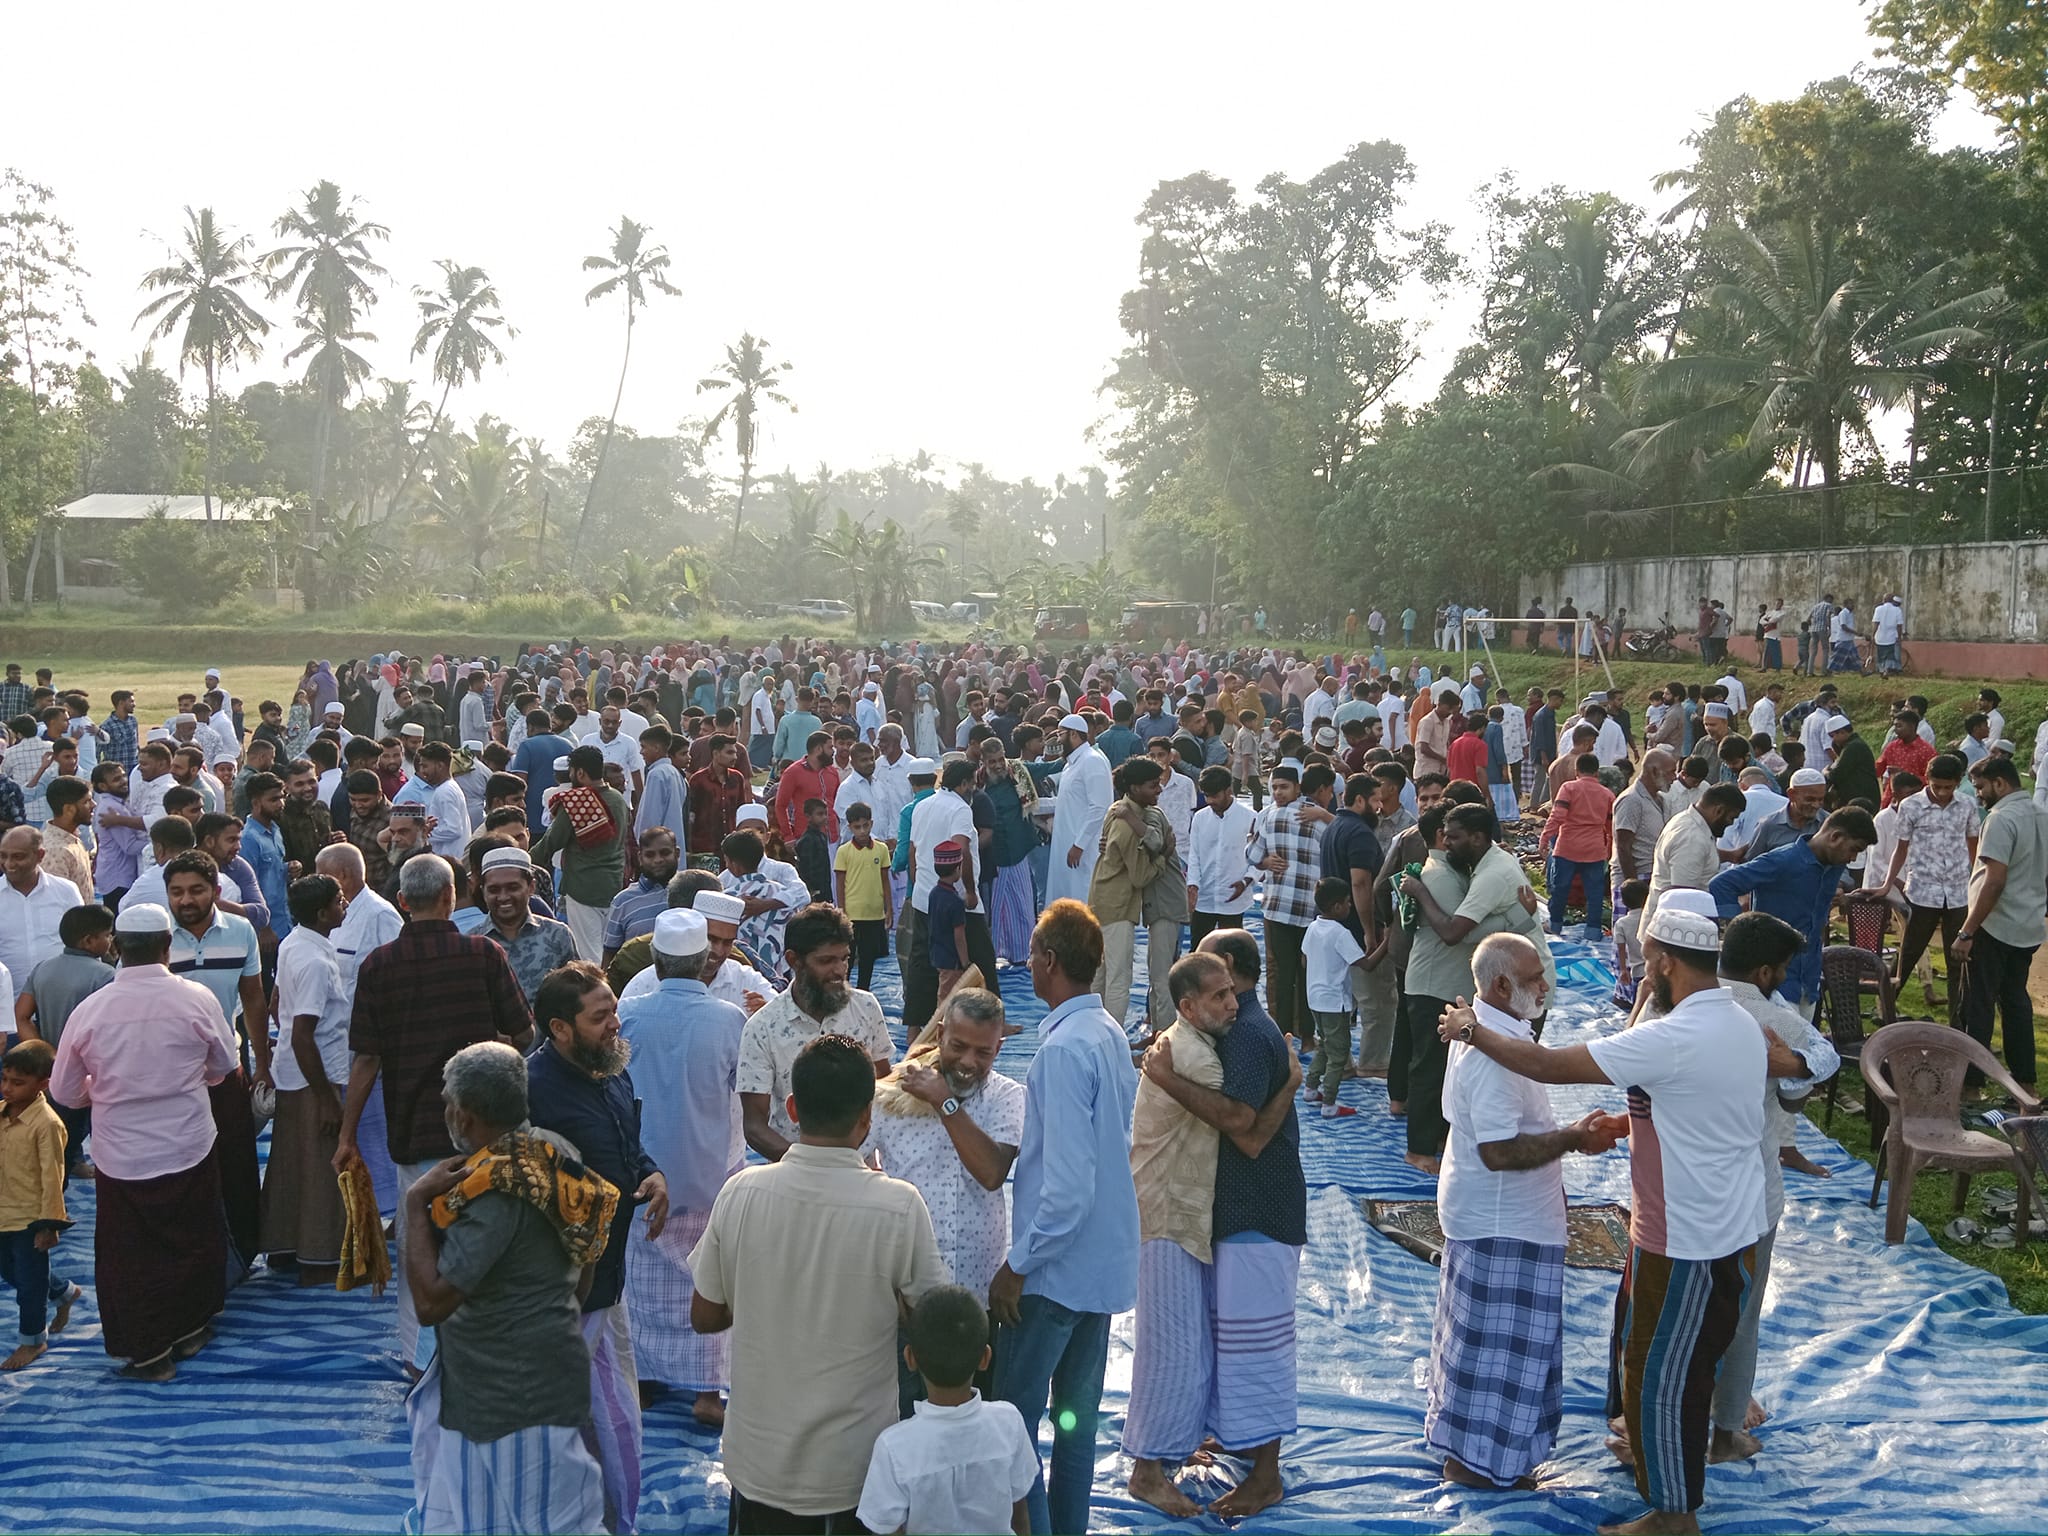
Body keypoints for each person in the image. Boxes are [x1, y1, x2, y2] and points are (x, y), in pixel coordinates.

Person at [1437, 890, 1789, 1536]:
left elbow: (1549, 1065)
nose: (1642, 971)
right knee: (1665, 1361)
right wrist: (1617, 1128)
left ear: (1665, 963)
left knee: (1662, 1376)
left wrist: (1470, 1030)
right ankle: (1655, 1464)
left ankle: (1674, 1514)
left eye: (1647, 960)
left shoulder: (1675, 1036)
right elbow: (1691, 1107)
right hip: (1717, 1224)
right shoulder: (1737, 1023)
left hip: (1688, 1237)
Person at [690, 1033, 949, 1535]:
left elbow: (705, 1316)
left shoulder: (741, 1192)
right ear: (867, 1117)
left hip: (757, 1463)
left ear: (791, 1108)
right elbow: (929, 1322)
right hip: (853, 1472)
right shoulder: (898, 1205)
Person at [399, 1042, 615, 1536]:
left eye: (447, 1103)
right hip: (517, 1386)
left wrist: (414, 1203)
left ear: (464, 1116)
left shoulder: (493, 1192)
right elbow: (586, 1260)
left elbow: (430, 1303)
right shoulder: (556, 1151)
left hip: (512, 1404)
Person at [1427, 933, 1618, 1490]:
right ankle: (1477, 1466)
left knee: (1483, 1346)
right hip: (1502, 1225)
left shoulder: (1490, 1033)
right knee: (1499, 1355)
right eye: (1535, 978)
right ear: (1501, 985)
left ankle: (1476, 1456)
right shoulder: (1492, 1055)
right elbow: (1499, 1152)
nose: (1546, 985)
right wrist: (1572, 1138)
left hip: (1494, 1216)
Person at [335, 854, 536, 1377]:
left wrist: (347, 1135)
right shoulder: (484, 955)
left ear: (403, 902)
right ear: (454, 896)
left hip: (414, 1133)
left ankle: (420, 1359)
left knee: (420, 1244)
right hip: (484, 1133)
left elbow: (365, 1060)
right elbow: (524, 1034)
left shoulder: (378, 966)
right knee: (486, 1241)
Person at [991, 900, 1139, 1536]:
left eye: (1031, 954)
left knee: (1014, 1424)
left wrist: (1017, 1265)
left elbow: (1067, 1190)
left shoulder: (1063, 1050)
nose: (1028, 964)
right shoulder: (1106, 1033)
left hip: (1055, 1274)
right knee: (1075, 1426)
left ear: (1048, 961)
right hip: (1098, 1268)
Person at [50, 902, 238, 1380]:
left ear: (116, 947)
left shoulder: (92, 1010)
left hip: (122, 1154)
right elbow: (223, 1065)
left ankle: (150, 1354)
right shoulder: (196, 999)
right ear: (167, 946)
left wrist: (103, 1090)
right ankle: (191, 1328)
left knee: (130, 1255)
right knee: (194, 1238)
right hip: (188, 1143)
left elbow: (64, 1091)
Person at [525, 961, 666, 1534]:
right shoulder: (533, 1090)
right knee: (580, 1421)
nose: (614, 1024)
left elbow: (628, 1145)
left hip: (607, 1281)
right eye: (600, 1016)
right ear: (560, 1028)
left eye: (614, 1011)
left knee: (614, 1414)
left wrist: (651, 1173)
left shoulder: (610, 1068)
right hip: (565, 1291)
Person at [1710, 912, 1838, 1465]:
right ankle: (1725, 1429)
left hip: (1679, 1194)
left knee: (1671, 1309)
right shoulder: (1773, 1020)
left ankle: (1651, 1418)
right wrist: (1798, 1066)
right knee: (1740, 1313)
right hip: (1750, 1195)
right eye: (1783, 969)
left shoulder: (1678, 1003)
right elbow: (1815, 1072)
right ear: (1766, 972)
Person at [862, 987, 1025, 1415]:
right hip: (905, 1294)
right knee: (903, 1412)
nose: (969, 1062)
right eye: (958, 1047)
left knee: (973, 1413)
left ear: (999, 1048)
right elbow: (849, 1166)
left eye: (983, 1052)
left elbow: (991, 1172)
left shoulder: (1007, 1097)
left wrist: (945, 1103)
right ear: (939, 1035)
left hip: (976, 1293)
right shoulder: (892, 1096)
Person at [1120, 952, 1230, 1516]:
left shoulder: (1185, 1044)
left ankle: (1177, 1443)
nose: (1232, 1004)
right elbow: (1238, 1119)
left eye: (1231, 992)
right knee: (1172, 1350)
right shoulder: (1190, 1056)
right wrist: (1287, 1071)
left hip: (1180, 1214)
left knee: (1190, 1342)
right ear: (1188, 1006)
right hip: (1165, 1215)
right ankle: (1146, 1470)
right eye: (1219, 997)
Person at [1399, 804, 1553, 1175]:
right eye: (1446, 835)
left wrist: (1520, 917)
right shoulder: (1447, 874)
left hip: (1498, 983)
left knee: (1489, 1066)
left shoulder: (1481, 872)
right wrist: (1518, 916)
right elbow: (1457, 932)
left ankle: (1482, 1142)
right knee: (1435, 1068)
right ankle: (1424, 1149)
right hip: (1442, 982)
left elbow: (1459, 931)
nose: (1448, 842)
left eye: (1454, 836)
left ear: (1478, 837)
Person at [858, 1285, 1038, 1536]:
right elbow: (1020, 1513)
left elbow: (886, 1527)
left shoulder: (894, 1446)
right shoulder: (1009, 1422)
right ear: (985, 1358)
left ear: (909, 1358)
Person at [737, 903, 896, 1162]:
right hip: (793, 1174)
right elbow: (755, 1126)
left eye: (844, 958)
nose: (839, 970)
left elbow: (884, 1085)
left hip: (861, 1169)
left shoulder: (866, 1008)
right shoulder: (761, 1028)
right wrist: (810, 1166)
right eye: (826, 961)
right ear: (794, 960)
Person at [261, 875, 352, 1287]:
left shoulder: (294, 942)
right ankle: (318, 1259)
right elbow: (303, 1035)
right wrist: (328, 1099)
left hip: (293, 1072)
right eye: (338, 900)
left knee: (290, 1162)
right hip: (315, 1075)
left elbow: (277, 1003)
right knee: (320, 1169)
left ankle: (283, 1246)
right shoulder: (315, 962)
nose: (344, 904)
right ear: (322, 913)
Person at [1708, 809, 1876, 1008]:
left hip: (1810, 979)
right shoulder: (1784, 861)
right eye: (1854, 849)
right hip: (1775, 982)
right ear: (1835, 837)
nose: (1853, 858)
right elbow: (1722, 884)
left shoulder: (1834, 866)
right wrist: (1740, 933)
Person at [1952, 756, 2046, 1093]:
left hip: (1993, 926)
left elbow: (1994, 881)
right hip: (2027, 925)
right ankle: (2025, 1085)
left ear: (2000, 783)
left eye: (1980, 787)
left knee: (1976, 1004)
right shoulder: (2041, 814)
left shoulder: (2001, 818)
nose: (1977, 794)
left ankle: (1971, 1086)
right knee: (2016, 1003)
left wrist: (1967, 931)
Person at [1875, 754, 1978, 1020]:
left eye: (1948, 787)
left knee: (1957, 959)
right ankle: (1883, 1007)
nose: (1942, 792)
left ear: (1958, 782)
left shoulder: (1967, 804)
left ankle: (1958, 1023)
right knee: (1909, 952)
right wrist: (1887, 883)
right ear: (1927, 780)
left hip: (1957, 892)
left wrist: (1976, 883)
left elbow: (1973, 845)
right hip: (1922, 891)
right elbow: (1901, 848)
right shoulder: (1911, 806)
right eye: (1937, 786)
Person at [0, 1038, 81, 1372]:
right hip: (3, 1212)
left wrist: (49, 1224)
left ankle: (33, 1339)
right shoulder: (1, 1113)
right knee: (10, 1271)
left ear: (43, 1084)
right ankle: (63, 1291)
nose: (7, 1088)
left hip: (30, 1218)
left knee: (30, 1285)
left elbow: (53, 1177)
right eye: (4, 1079)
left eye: (18, 1083)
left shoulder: (47, 1125)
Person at [531, 745, 628, 964]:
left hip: (583, 888)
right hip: (613, 884)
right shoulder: (618, 798)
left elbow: (549, 843)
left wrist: (523, 861)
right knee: (609, 951)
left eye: (572, 772)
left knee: (588, 955)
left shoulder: (576, 803)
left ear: (580, 772)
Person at [1303, 877, 1373, 1117]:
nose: (1350, 906)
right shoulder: (1340, 933)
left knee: (1324, 1043)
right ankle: (1329, 1102)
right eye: (1347, 902)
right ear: (1336, 906)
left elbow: (1304, 959)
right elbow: (1366, 964)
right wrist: (1386, 943)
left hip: (1315, 998)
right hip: (1334, 1002)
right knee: (1339, 1053)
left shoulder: (1313, 927)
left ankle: (1311, 1088)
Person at [1540, 752, 1615, 938]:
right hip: (1594, 849)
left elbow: (1557, 816)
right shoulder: (1607, 794)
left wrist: (1545, 838)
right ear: (1597, 773)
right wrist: (1609, 848)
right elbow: (1610, 826)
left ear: (1576, 771)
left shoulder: (1569, 788)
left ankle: (1555, 925)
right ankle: (1593, 930)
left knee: (1560, 889)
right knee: (1595, 893)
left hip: (1567, 847)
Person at [1044, 714, 1110, 907]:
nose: (1058, 740)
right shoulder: (1070, 765)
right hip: (1066, 844)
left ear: (1073, 734)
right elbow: (1065, 801)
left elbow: (1099, 807)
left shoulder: (1092, 760)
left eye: (1060, 734)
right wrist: (1032, 805)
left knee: (1082, 896)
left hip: (1083, 848)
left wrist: (1079, 844)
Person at [1187, 765, 1256, 944]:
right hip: (1204, 897)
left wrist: (1245, 882)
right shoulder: (1200, 818)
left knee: (1231, 950)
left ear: (1228, 791)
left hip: (1233, 898)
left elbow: (1258, 859)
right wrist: (1193, 884)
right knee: (1198, 949)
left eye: (1215, 796)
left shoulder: (1250, 818)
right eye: (1206, 796)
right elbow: (1194, 855)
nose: (1210, 801)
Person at [833, 802, 895, 991]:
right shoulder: (844, 851)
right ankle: (843, 992)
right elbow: (840, 884)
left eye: (865, 825)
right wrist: (842, 910)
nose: (862, 831)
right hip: (852, 914)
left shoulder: (881, 849)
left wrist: (889, 909)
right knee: (848, 957)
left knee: (868, 958)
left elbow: (885, 880)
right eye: (857, 827)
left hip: (874, 914)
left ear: (871, 824)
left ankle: (863, 993)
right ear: (850, 827)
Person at [603, 826, 681, 967]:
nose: (658, 860)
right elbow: (610, 955)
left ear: (677, 853)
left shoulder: (691, 890)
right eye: (650, 855)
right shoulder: (623, 901)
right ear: (640, 858)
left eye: (665, 853)